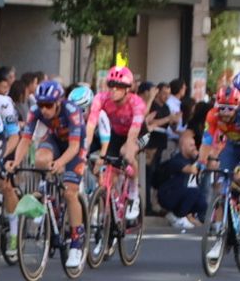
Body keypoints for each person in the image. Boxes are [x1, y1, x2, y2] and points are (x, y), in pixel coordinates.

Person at [23, 79, 88, 269]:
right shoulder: (36, 111)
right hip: (55, 139)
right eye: (41, 105)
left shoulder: (72, 111)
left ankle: (76, 241)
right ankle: (47, 198)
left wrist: (60, 163)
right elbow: (25, 139)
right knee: (41, 160)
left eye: (48, 105)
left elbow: (75, 147)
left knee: (69, 192)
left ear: (59, 102)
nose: (44, 110)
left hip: (75, 145)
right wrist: (14, 162)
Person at [200, 85, 240, 262]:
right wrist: (200, 162)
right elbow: (207, 140)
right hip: (232, 146)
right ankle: (219, 240)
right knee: (221, 188)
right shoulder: (212, 115)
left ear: (237, 107)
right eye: (222, 108)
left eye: (230, 109)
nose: (225, 113)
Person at [84, 66, 148, 223]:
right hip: (117, 134)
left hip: (138, 133)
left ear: (127, 89)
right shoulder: (101, 98)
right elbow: (91, 124)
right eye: (110, 85)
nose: (113, 90)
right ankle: (109, 215)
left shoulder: (137, 103)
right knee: (107, 171)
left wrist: (129, 146)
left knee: (127, 152)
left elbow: (134, 132)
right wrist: (85, 147)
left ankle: (133, 193)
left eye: (118, 87)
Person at [150, 128, 208, 230]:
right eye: (191, 146)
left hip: (181, 193)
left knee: (202, 201)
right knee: (193, 191)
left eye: (194, 145)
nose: (194, 148)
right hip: (167, 195)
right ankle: (177, 216)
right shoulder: (176, 160)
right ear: (183, 147)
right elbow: (192, 170)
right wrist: (200, 158)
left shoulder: (192, 159)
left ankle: (189, 217)